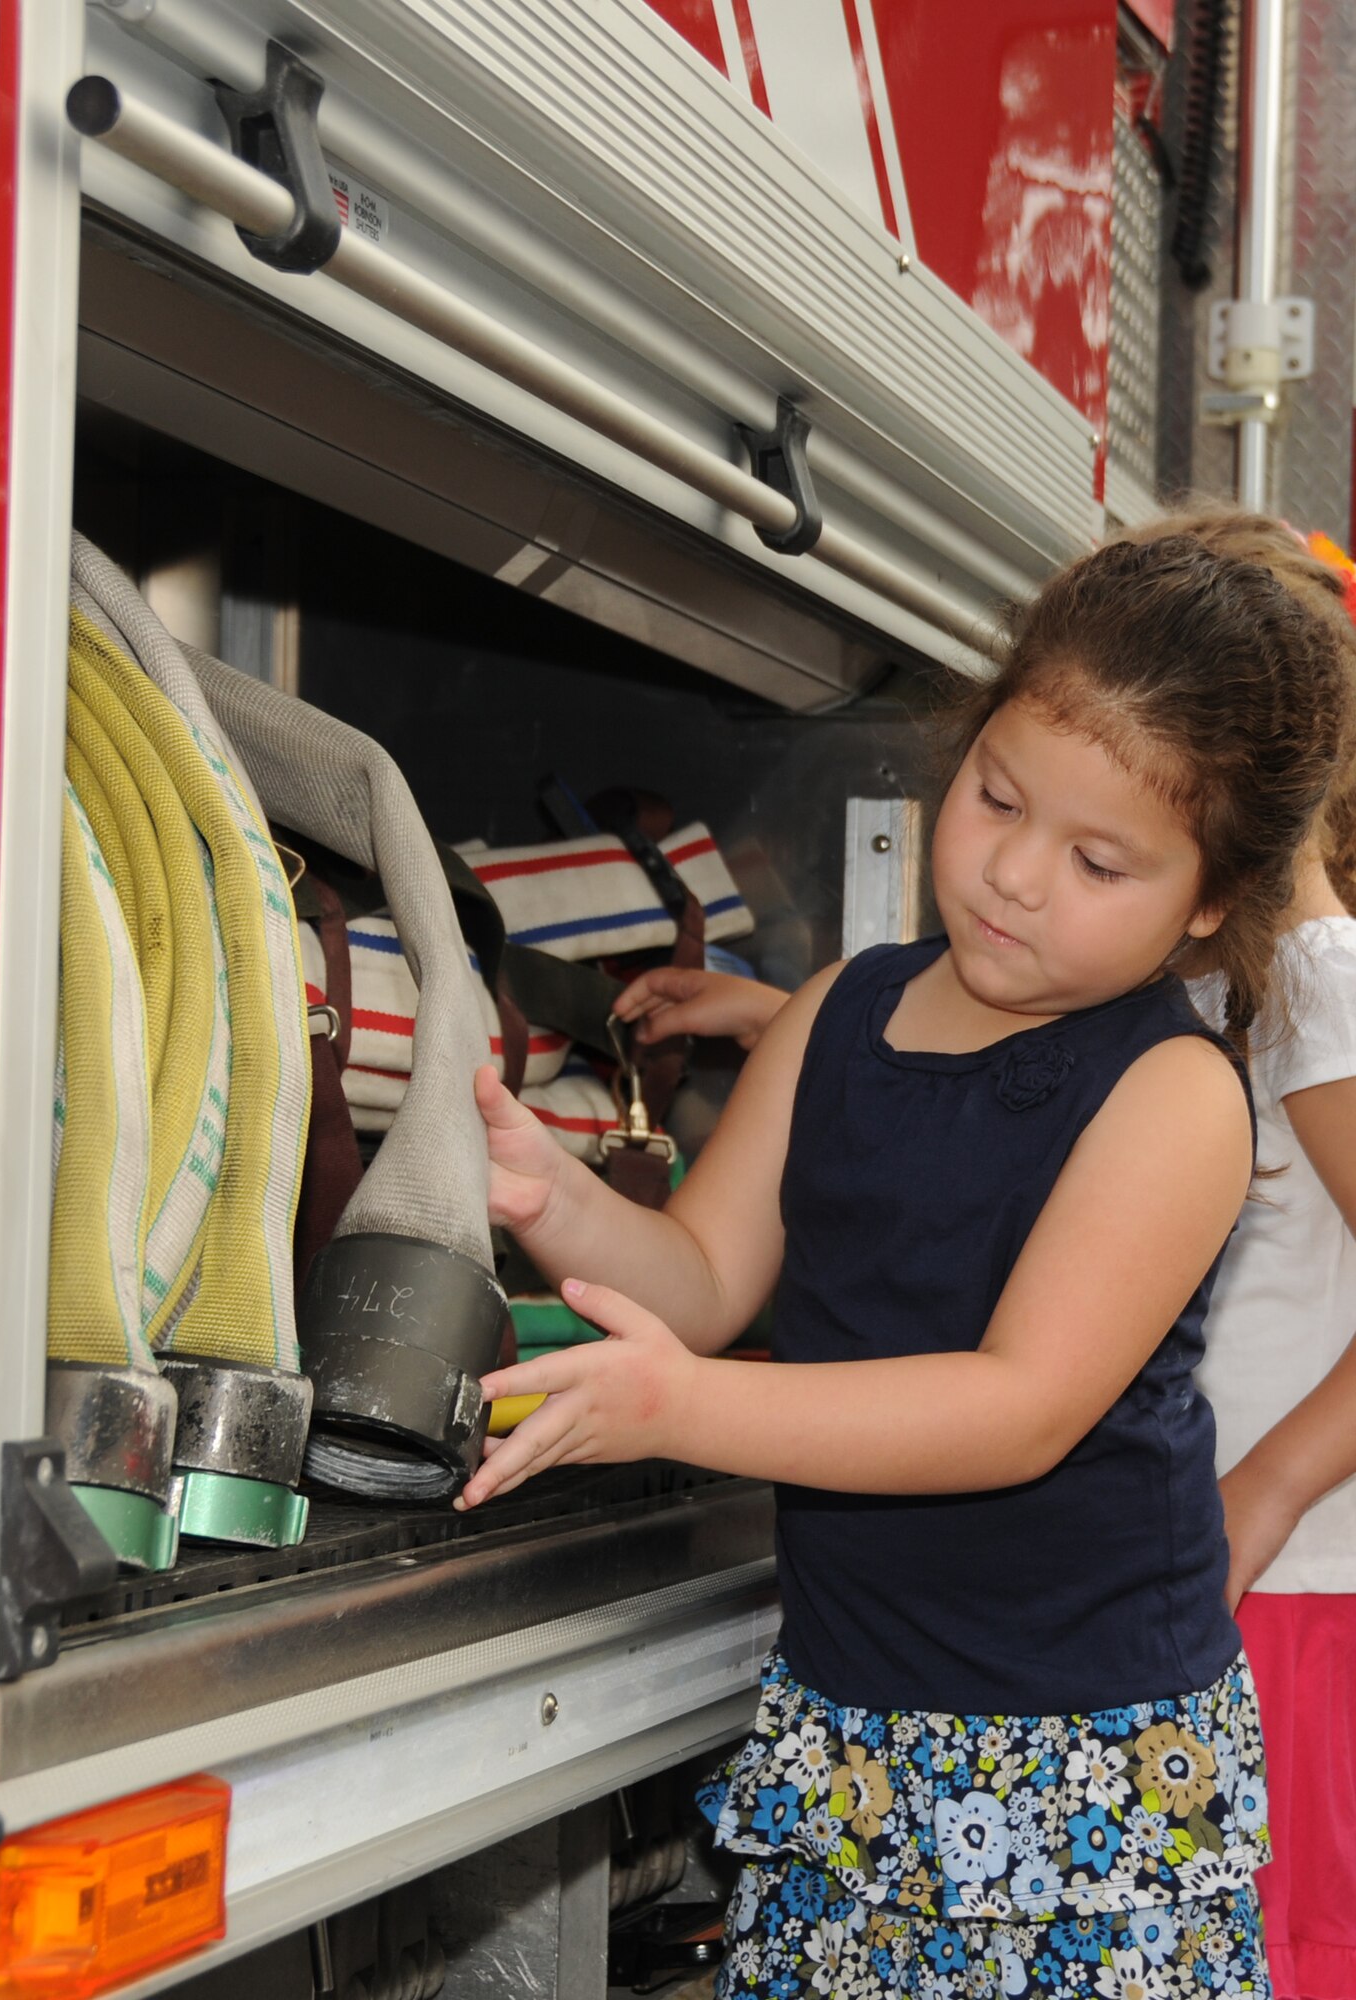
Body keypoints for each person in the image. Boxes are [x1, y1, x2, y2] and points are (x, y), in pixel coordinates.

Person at [460, 532, 1353, 1998]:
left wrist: (685, 1409)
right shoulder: (840, 1011)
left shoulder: (1175, 1093)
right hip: (854, 1736)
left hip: (1086, 1772)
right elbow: (701, 1275)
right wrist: (550, 1193)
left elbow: (1017, 1407)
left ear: (1209, 900)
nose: (1010, 874)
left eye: (1098, 859)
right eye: (997, 796)